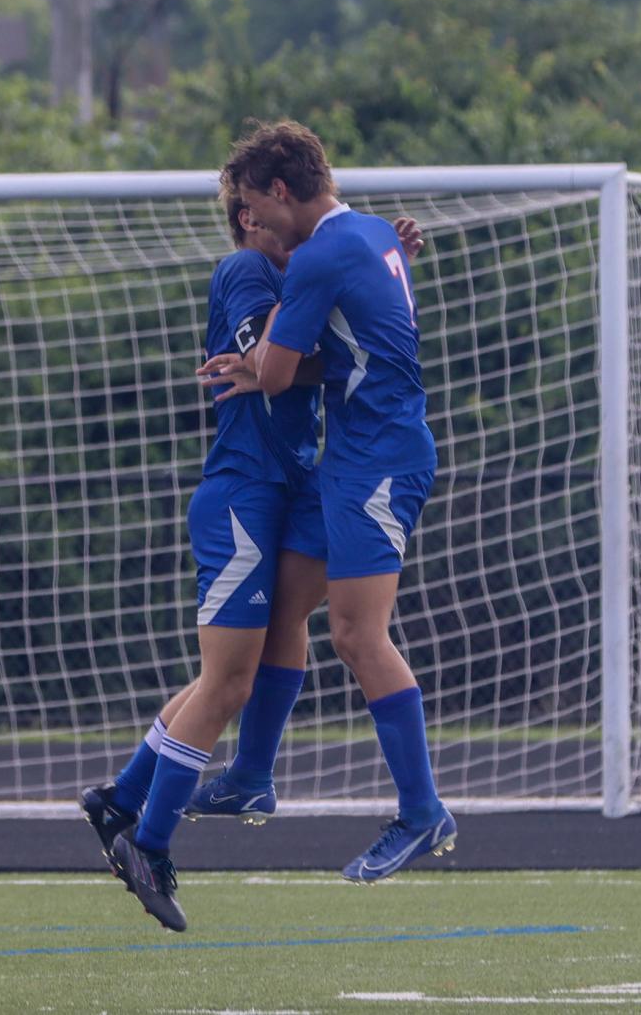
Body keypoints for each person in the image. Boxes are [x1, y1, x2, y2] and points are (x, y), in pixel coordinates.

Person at [79, 180, 422, 931]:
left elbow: (320, 349)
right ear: (249, 218)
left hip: (295, 482)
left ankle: (136, 795)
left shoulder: (305, 264)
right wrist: (344, 282)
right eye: (267, 217)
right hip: (241, 491)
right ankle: (147, 841)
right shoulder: (245, 270)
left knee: (281, 633)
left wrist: (377, 258)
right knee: (228, 679)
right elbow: (269, 361)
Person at [215, 119, 456, 887]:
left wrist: (254, 366)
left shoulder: (320, 251)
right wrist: (269, 362)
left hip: (378, 463)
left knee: (356, 634)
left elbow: (280, 371)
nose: (251, 222)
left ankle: (421, 813)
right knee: (284, 610)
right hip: (350, 458)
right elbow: (343, 343)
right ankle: (251, 777)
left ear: (281, 191)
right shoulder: (371, 232)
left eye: (255, 206)